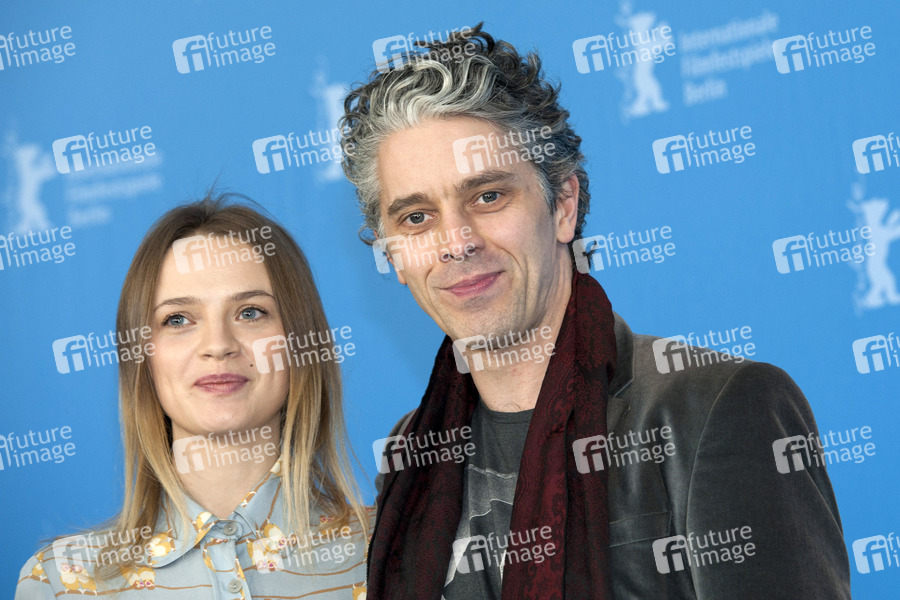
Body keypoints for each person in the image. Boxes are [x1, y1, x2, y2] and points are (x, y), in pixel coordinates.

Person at [340, 25, 851, 599]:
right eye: (416, 218)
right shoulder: (412, 455)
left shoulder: (718, 409)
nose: (456, 242)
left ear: (563, 204)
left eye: (488, 196)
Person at [15, 193, 370, 599]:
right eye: (178, 319)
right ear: (142, 357)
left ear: (298, 342)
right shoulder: (61, 582)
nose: (218, 345)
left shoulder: (391, 549)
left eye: (250, 312)